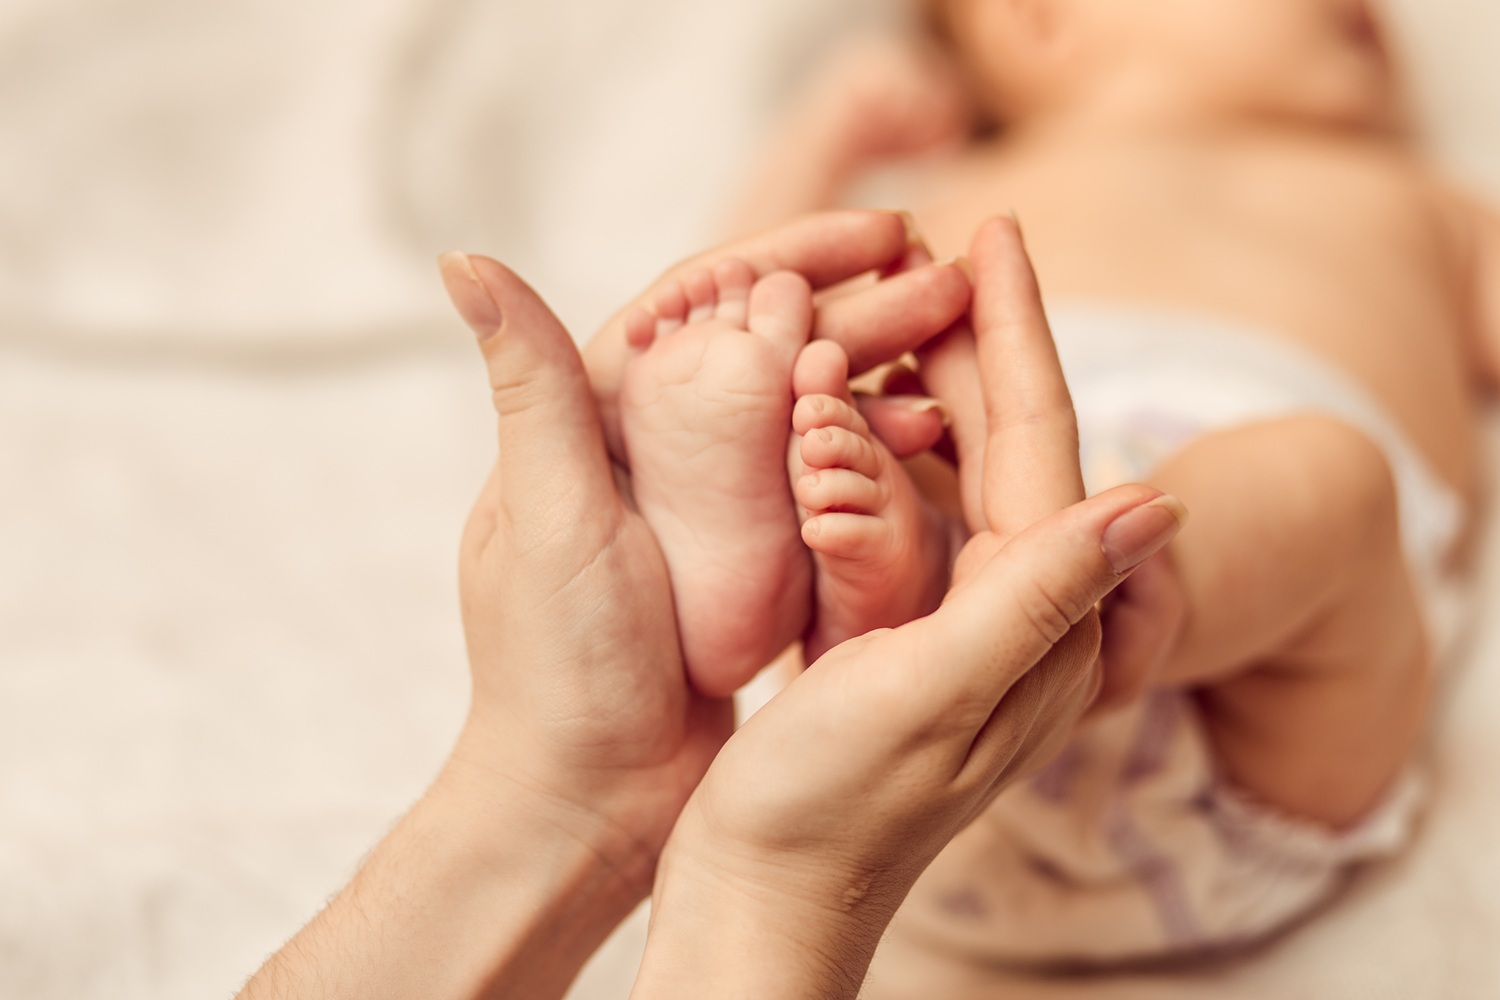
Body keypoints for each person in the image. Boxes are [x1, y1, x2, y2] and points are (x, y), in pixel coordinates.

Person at [709, 0, 1500, 965]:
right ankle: (935, 601)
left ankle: (1099, 592)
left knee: (1329, 478)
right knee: (874, 418)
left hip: (1268, 711)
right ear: (1040, 22)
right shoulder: (947, 192)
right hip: (907, 786)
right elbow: (745, 313)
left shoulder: (1424, 198)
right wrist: (826, 134)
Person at [233, 212, 1183, 998]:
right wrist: (774, 881)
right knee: (1315, 476)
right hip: (1095, 772)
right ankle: (1067, 589)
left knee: (849, 407)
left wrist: (562, 791)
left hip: (921, 823)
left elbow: (772, 266)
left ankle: (911, 576)